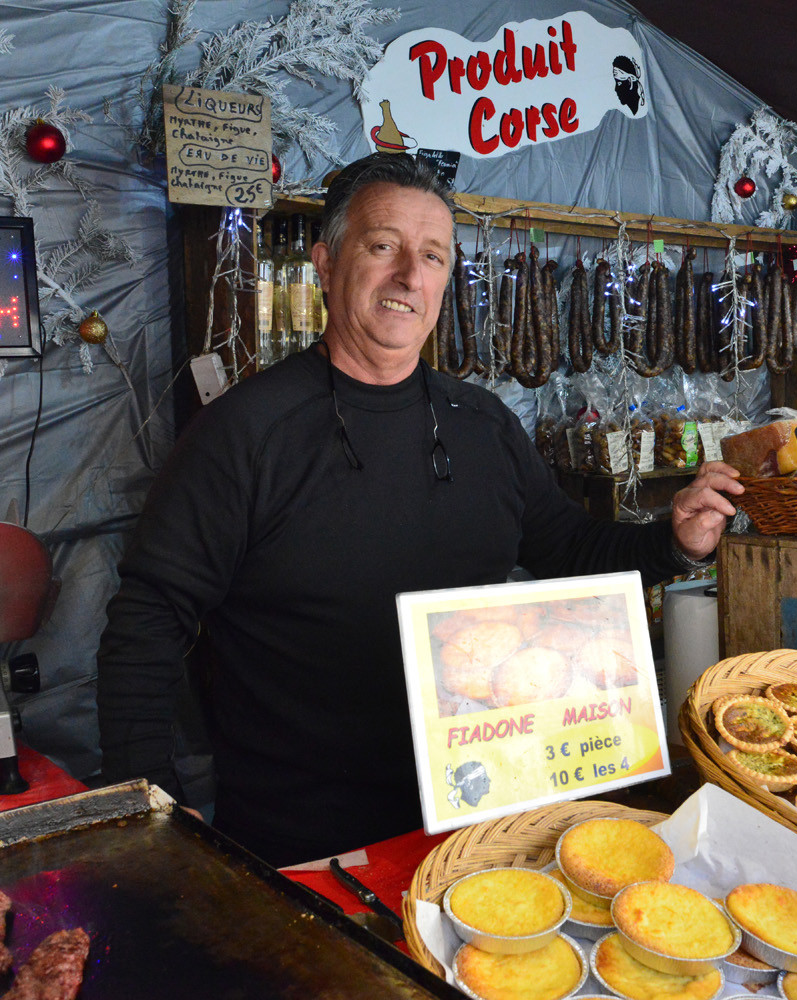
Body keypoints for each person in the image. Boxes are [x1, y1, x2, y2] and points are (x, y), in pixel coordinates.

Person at [97, 153, 742, 867]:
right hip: (311, 843)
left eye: (432, 256)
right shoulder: (246, 433)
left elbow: (566, 546)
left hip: (485, 824)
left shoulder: (484, 422)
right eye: (383, 246)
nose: (409, 275)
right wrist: (149, 801)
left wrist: (673, 544)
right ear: (326, 263)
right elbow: (147, 619)